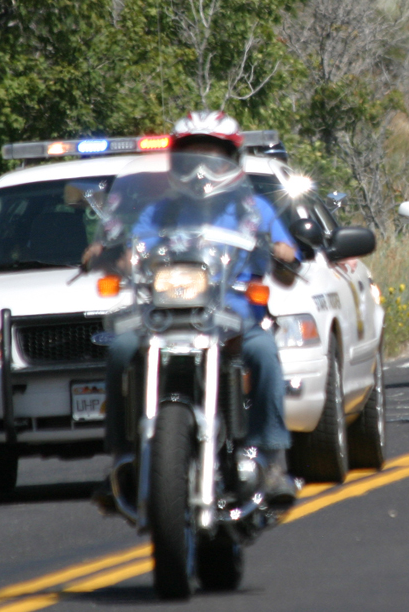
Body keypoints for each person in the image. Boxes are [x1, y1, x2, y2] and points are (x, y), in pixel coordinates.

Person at [92, 111, 299, 507]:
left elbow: (287, 270)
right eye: (193, 158)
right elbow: (132, 253)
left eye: (213, 158)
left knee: (264, 353)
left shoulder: (254, 210)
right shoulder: (160, 211)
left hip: (234, 315)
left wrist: (284, 253)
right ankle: (123, 459)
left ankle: (271, 460)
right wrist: (109, 253)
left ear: (233, 161)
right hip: (165, 315)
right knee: (120, 349)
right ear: (176, 161)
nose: (201, 169)